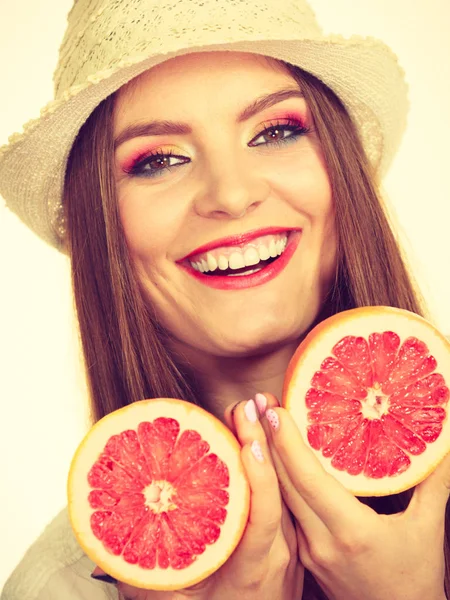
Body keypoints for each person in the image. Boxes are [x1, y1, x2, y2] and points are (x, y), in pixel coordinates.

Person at [1, 0, 449, 598]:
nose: (232, 195)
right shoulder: (55, 588)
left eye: (276, 131)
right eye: (158, 160)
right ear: (103, 225)